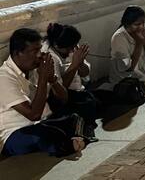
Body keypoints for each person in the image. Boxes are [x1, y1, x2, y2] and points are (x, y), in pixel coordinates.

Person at [1, 28, 86, 157]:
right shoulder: (4, 77)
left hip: (43, 123)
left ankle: (70, 140)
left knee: (74, 117)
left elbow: (64, 99)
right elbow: (33, 114)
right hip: (15, 133)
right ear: (18, 53)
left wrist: (52, 79)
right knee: (42, 135)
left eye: (40, 49)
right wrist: (43, 79)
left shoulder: (34, 68)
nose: (40, 54)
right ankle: (68, 144)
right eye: (35, 51)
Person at [43, 23, 99, 137]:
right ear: (56, 45)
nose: (72, 50)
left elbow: (85, 74)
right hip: (59, 97)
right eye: (69, 48)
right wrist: (74, 65)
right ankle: (85, 128)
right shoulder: (49, 56)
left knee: (97, 100)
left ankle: (84, 123)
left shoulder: (71, 47)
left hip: (78, 90)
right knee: (87, 103)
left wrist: (81, 62)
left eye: (74, 47)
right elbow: (59, 91)